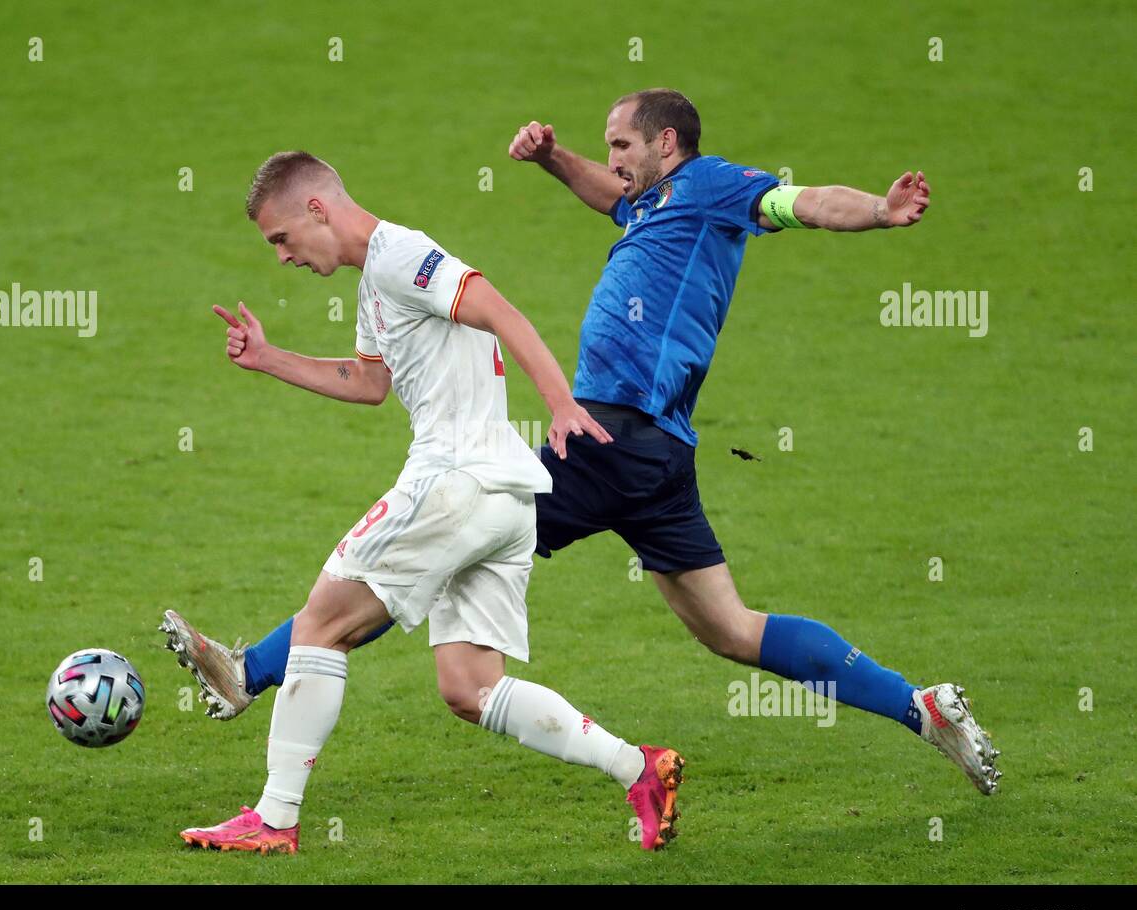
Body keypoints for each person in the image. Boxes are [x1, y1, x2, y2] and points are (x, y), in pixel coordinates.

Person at [179, 90, 1000, 800]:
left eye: (621, 145)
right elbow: (606, 195)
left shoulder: (713, 188)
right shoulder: (648, 203)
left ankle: (253, 672)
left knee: (444, 529)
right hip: (657, 455)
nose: (610, 160)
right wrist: (550, 159)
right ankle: (916, 705)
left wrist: (881, 212)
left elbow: (804, 201)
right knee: (730, 628)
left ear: (667, 144)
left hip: (606, 432)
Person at [162, 150, 684, 856]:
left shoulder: (399, 255)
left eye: (281, 238)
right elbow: (369, 383)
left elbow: (499, 308)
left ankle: (274, 818)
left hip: (454, 483)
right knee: (471, 688)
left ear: (316, 209)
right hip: (504, 499)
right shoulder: (375, 281)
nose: (281, 258)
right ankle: (638, 768)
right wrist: (269, 357)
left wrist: (560, 404)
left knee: (319, 625)